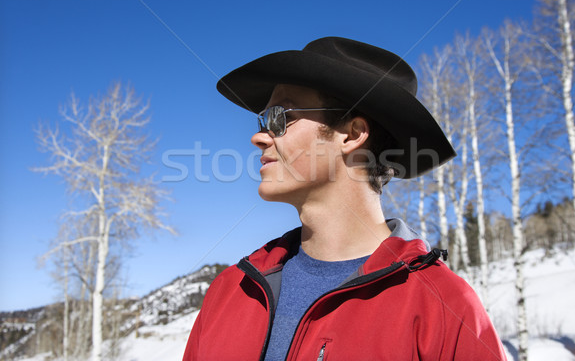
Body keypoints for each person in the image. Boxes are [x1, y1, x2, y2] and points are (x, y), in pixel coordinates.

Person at [183, 37, 507, 360]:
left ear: (352, 135)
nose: (258, 136)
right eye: (263, 120)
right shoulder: (231, 290)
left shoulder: (443, 306)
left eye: (281, 117)